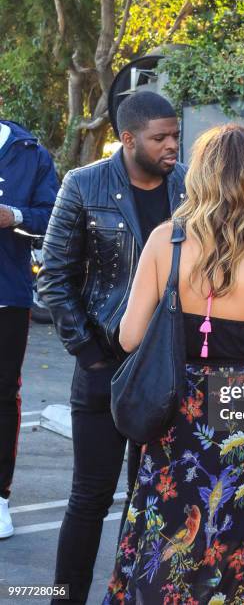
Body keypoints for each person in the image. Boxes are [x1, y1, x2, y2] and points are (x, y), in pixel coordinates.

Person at [102, 124, 244, 604]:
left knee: (164, 537)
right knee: (230, 544)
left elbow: (129, 337)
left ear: (200, 176)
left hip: (174, 414)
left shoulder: (167, 241)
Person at [38, 91, 186, 604]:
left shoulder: (189, 187)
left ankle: (127, 595)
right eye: (160, 138)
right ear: (127, 139)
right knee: (90, 496)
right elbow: (53, 279)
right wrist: (89, 352)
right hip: (103, 363)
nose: (172, 146)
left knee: (149, 497)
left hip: (166, 367)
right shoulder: (84, 184)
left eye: (175, 135)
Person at [0, 117, 58, 539]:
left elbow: (52, 216)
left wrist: (13, 214)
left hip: (7, 295)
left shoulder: (30, 151)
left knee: (3, 396)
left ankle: (0, 499)